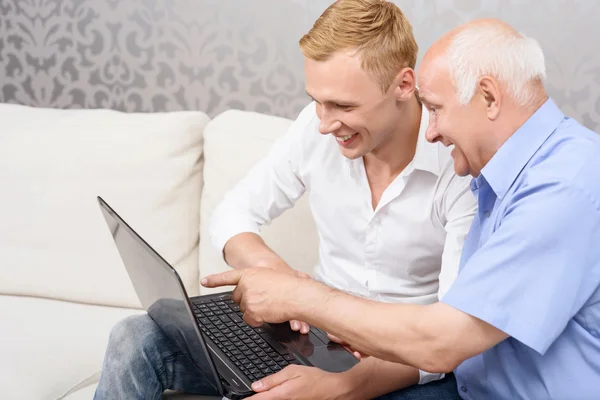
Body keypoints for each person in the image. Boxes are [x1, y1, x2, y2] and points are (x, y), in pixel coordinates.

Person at [94, 1, 476, 399]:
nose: (325, 124)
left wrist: (340, 387)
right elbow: (233, 214)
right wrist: (282, 283)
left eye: (344, 106)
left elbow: (450, 338)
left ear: (403, 85)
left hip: (406, 361)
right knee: (133, 337)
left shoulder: (460, 167)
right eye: (318, 100)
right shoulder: (318, 128)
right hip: (318, 335)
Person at [203, 17, 600, 400]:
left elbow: (443, 342)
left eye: (438, 109)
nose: (431, 130)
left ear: (489, 98)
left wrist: (300, 297)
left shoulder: (563, 188)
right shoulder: (500, 176)